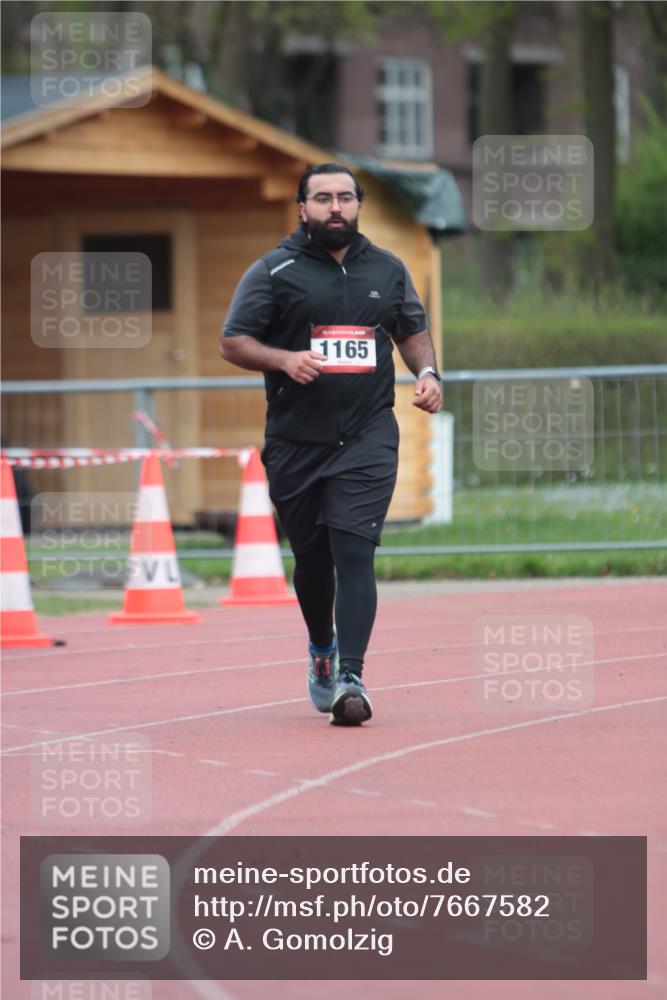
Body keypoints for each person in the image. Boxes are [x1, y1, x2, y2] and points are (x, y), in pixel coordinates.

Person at [221, 163, 442, 726]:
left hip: (368, 434)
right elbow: (234, 341)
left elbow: (410, 329)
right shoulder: (275, 271)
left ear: (358, 205)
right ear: (303, 209)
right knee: (313, 561)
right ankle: (322, 648)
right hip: (296, 441)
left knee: (355, 549)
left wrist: (428, 373)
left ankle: (352, 675)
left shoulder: (388, 269)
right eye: (323, 198)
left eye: (345, 197)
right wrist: (283, 359)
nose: (335, 207)